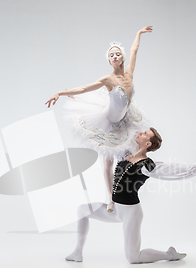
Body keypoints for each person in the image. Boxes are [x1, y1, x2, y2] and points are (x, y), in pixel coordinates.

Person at [65, 128, 196, 264]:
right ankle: (77, 253)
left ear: (147, 144)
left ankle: (169, 254)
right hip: (113, 209)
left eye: (144, 134)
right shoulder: (125, 154)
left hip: (130, 213)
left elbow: (172, 168)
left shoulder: (147, 166)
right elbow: (112, 137)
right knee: (82, 210)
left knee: (133, 258)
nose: (140, 132)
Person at [45, 26, 153, 213]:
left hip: (125, 118)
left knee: (134, 151)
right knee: (107, 163)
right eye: (111, 55)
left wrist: (138, 33)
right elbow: (83, 89)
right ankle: (111, 198)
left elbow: (134, 50)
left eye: (117, 54)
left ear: (122, 57)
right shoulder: (107, 79)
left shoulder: (129, 74)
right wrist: (59, 93)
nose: (114, 56)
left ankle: (132, 188)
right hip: (108, 121)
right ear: (109, 61)